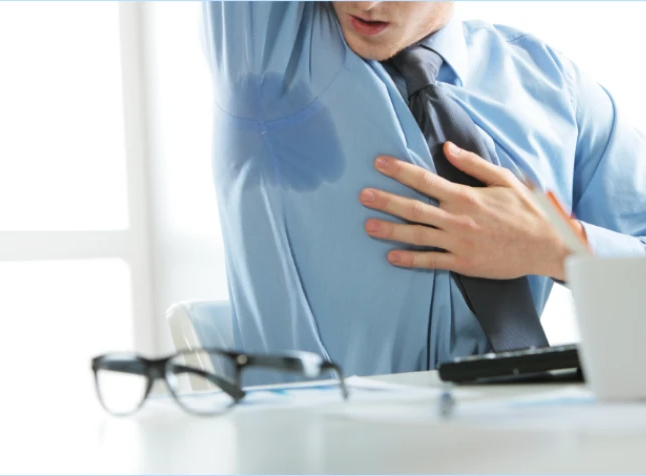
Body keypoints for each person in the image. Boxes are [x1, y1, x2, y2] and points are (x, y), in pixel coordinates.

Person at [200, 2, 646, 377]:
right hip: (334, 447)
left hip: (530, 442)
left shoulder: (553, 86)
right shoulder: (267, 52)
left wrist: (555, 247)